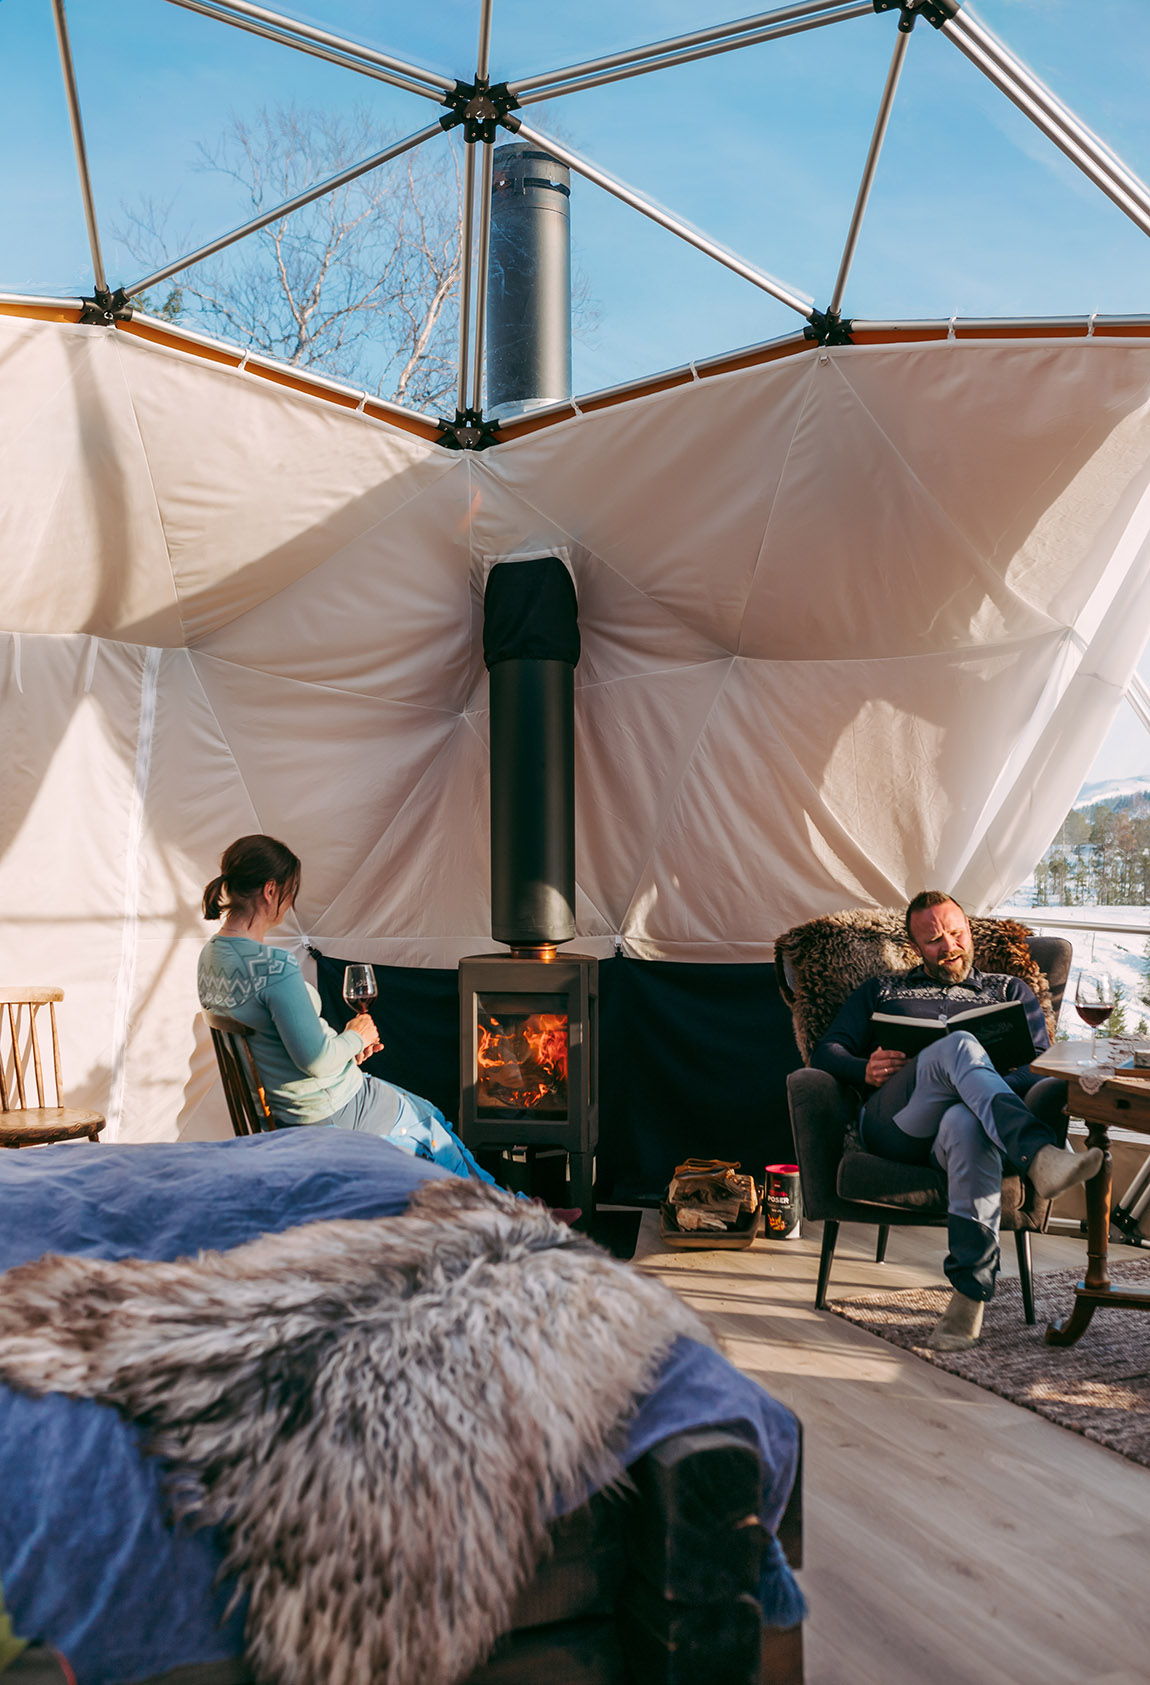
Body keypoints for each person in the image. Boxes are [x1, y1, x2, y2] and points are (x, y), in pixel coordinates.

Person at [811, 891, 1102, 1352]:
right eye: (932, 940)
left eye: (955, 932)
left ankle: (969, 1297)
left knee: (969, 1126)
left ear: (969, 929)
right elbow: (825, 1050)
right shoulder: (882, 990)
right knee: (960, 1045)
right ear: (915, 948)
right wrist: (861, 1067)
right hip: (896, 1123)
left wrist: (978, 1081)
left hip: (967, 1124)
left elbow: (1042, 1064)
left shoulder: (1009, 991)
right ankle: (1039, 1154)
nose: (948, 946)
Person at [197, 834, 496, 1183]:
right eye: (291, 893)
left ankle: (502, 1207)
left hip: (289, 1108)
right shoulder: (274, 967)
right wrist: (356, 1035)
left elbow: (279, 1048)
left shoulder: (211, 956)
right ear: (270, 891)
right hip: (322, 1112)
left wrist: (345, 1051)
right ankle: (511, 1211)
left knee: (431, 1119)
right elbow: (316, 1060)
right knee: (430, 1124)